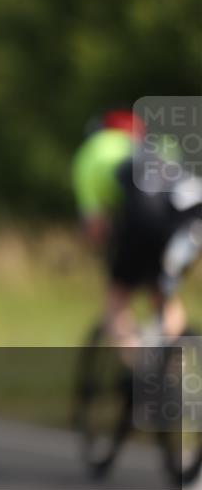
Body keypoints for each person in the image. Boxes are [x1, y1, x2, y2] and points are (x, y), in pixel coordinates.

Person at [72, 109, 202, 348]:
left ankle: (138, 367)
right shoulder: (160, 146)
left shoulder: (92, 153)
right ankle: (172, 378)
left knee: (118, 298)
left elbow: (96, 227)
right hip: (192, 220)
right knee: (163, 296)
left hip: (145, 218)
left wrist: (101, 251)